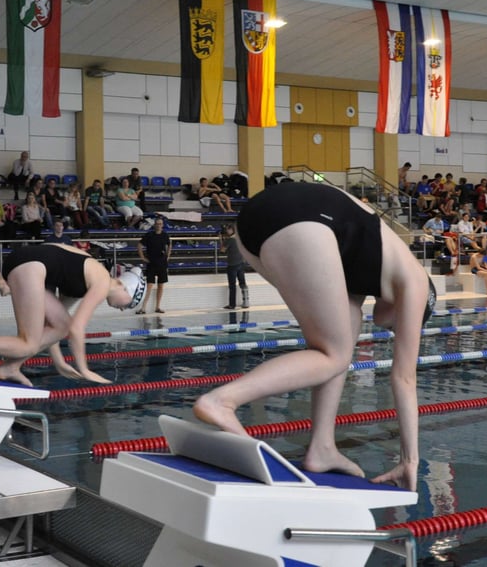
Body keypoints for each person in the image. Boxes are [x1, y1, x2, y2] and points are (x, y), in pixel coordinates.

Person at [193, 182, 433, 491]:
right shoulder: (417, 281)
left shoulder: (366, 274)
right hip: (302, 218)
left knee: (335, 346)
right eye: (403, 326)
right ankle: (221, 401)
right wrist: (410, 460)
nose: (397, 330)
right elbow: (404, 378)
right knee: (334, 354)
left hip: (255, 224)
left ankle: (322, 447)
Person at [0, 243, 146, 386]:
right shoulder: (102, 281)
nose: (123, 309)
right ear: (125, 288)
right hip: (30, 264)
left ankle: (11, 368)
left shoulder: (87, 280)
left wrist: (59, 362)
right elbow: (77, 328)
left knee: (59, 325)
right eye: (129, 305)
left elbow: (58, 326)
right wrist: (84, 369)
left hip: (31, 262)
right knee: (28, 342)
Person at [136, 216, 171, 314]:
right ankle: (143, 307)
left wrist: (168, 256)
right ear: (154, 225)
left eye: (160, 224)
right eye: (157, 224)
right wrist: (142, 257)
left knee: (161, 285)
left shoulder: (165, 235)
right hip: (151, 263)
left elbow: (169, 245)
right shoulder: (149, 235)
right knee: (149, 285)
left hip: (162, 263)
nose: (159, 225)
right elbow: (139, 245)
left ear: (162, 225)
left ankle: (158, 306)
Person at [220, 223, 248, 309]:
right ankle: (246, 302)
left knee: (232, 285)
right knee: (242, 283)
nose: (227, 231)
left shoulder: (230, 240)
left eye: (228, 229)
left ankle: (232, 304)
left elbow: (222, 250)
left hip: (232, 264)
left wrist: (221, 240)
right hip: (241, 263)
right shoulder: (239, 238)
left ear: (231, 230)